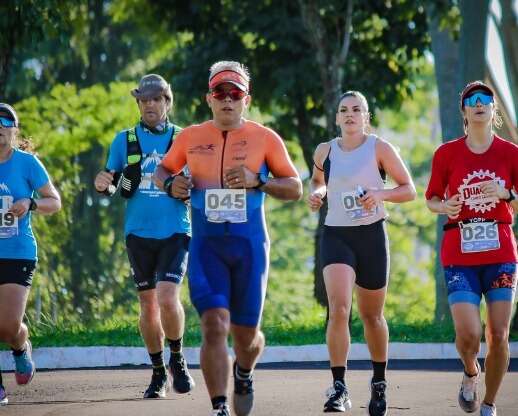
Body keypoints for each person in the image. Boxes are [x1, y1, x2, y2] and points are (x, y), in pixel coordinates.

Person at [153, 61, 302, 416]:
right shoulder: (190, 137)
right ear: (209, 98)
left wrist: (259, 181)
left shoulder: (265, 138)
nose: (227, 100)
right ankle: (219, 406)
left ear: (246, 99)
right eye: (220, 93)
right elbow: (162, 171)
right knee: (213, 324)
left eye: (235, 94)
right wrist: (171, 184)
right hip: (208, 247)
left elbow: (295, 187)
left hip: (250, 247)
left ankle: (245, 371)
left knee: (246, 337)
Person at [307, 91, 416, 415]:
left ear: (365, 117)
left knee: (372, 316)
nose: (350, 114)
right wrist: (318, 193)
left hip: (371, 235)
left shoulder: (379, 148)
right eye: (344, 110)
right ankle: (339, 388)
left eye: (357, 110)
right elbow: (317, 180)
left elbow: (408, 189)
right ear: (337, 118)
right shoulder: (325, 150)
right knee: (339, 309)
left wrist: (379, 194)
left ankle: (378, 383)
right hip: (337, 235)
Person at [94, 74, 194, 399]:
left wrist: (189, 190)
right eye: (144, 100)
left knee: (168, 298)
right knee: (148, 307)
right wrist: (103, 184)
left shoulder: (184, 138)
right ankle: (157, 372)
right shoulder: (124, 140)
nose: (150, 104)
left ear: (167, 102)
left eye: (156, 99)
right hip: (138, 234)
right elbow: (113, 185)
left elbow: (198, 185)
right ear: (138, 103)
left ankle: (177, 357)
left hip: (175, 231)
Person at [425, 81, 518, 416]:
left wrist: (507, 194)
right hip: (459, 253)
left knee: (498, 334)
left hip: (501, 254)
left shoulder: (511, 153)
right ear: (464, 110)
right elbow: (431, 199)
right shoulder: (447, 153)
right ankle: (469, 372)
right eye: (472, 100)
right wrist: (444, 206)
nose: (479, 104)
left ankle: (489, 405)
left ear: (493, 110)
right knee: (468, 333)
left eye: (486, 100)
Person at [0, 103, 61, 405]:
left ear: (14, 130)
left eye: (4, 122)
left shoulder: (27, 163)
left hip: (17, 251)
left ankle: (20, 346)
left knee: (8, 325)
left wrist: (31, 204)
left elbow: (55, 201)